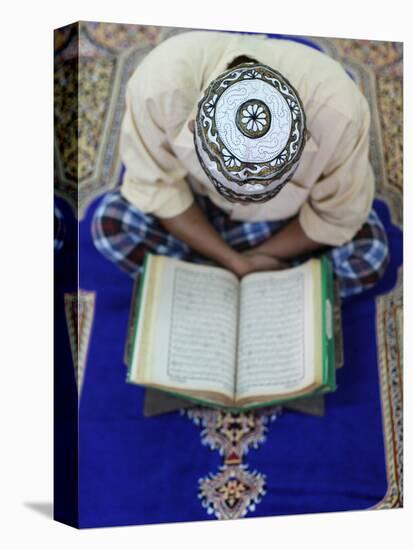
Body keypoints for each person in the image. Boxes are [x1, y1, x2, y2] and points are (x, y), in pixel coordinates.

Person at [92, 31, 389, 298]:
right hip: (197, 208)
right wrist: (235, 262)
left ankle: (205, 277)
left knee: (370, 252)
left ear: (304, 135)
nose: (240, 200)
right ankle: (275, 283)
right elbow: (158, 187)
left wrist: (254, 258)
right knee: (111, 222)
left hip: (287, 224)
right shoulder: (158, 86)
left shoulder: (340, 113)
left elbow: (336, 216)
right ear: (195, 126)